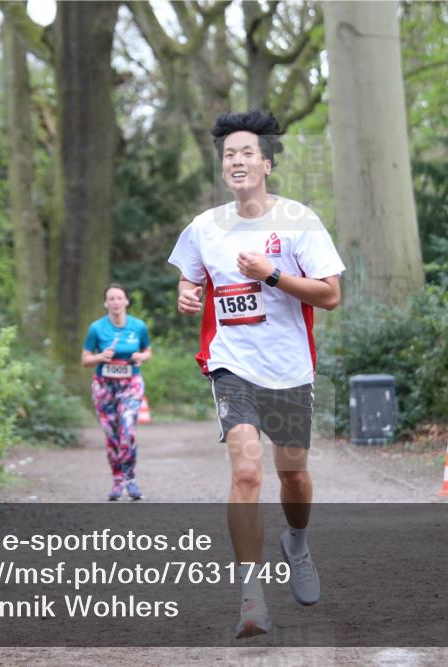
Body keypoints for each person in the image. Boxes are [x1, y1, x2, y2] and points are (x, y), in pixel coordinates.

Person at [168, 110, 344, 638]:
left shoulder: (299, 221)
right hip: (232, 364)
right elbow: (190, 285)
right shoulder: (204, 228)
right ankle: (250, 596)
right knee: (246, 472)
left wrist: (272, 273)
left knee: (292, 475)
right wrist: (186, 294)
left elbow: (331, 295)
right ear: (223, 169)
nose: (237, 161)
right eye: (228, 155)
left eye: (246, 152)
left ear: (266, 162)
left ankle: (297, 541)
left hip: (288, 367)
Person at [81, 283, 152, 501]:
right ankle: (117, 480)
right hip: (104, 386)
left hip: (131, 384)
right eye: (111, 299)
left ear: (126, 301)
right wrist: (100, 357)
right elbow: (85, 359)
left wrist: (141, 357)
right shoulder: (96, 328)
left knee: (127, 430)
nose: (115, 302)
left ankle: (130, 479)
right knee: (112, 437)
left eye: (119, 298)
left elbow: (147, 350)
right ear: (105, 303)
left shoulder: (138, 326)